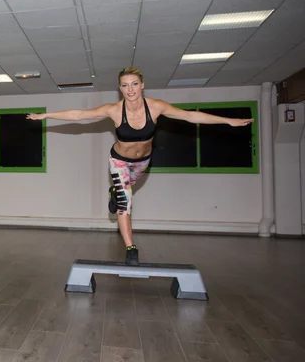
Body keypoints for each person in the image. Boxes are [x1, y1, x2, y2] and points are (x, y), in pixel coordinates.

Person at [27, 66, 253, 265]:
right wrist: (46, 115)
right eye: (125, 85)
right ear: (120, 88)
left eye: (134, 84)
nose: (130, 89)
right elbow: (79, 114)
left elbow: (189, 116)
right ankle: (130, 248)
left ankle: (114, 193)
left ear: (142, 85)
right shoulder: (115, 110)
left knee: (123, 192)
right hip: (119, 161)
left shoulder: (155, 107)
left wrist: (227, 120)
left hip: (142, 163)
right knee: (126, 202)